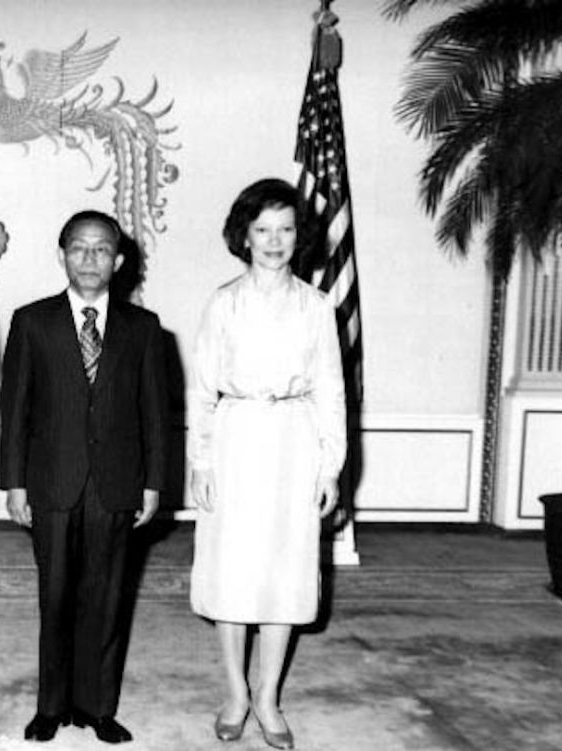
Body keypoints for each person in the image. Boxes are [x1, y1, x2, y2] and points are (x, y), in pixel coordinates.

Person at [187, 178, 346, 749]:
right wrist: (200, 462)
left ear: (298, 236)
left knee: (284, 571)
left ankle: (268, 697)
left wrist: (330, 466)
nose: (274, 241)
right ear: (244, 236)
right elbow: (202, 390)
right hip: (235, 438)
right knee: (233, 571)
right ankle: (234, 693)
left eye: (285, 229)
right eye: (263, 230)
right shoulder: (223, 302)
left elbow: (331, 390)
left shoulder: (316, 306)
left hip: (294, 442)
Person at [0, 210, 167, 745]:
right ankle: (50, 706)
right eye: (79, 247)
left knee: (107, 595)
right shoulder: (32, 322)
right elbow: (16, 409)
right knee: (56, 595)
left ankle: (97, 706)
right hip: (52, 483)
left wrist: (153, 483)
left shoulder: (144, 328)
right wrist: (14, 484)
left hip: (116, 483)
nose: (90, 258)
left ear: (119, 261)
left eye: (101, 250)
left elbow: (154, 415)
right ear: (62, 255)